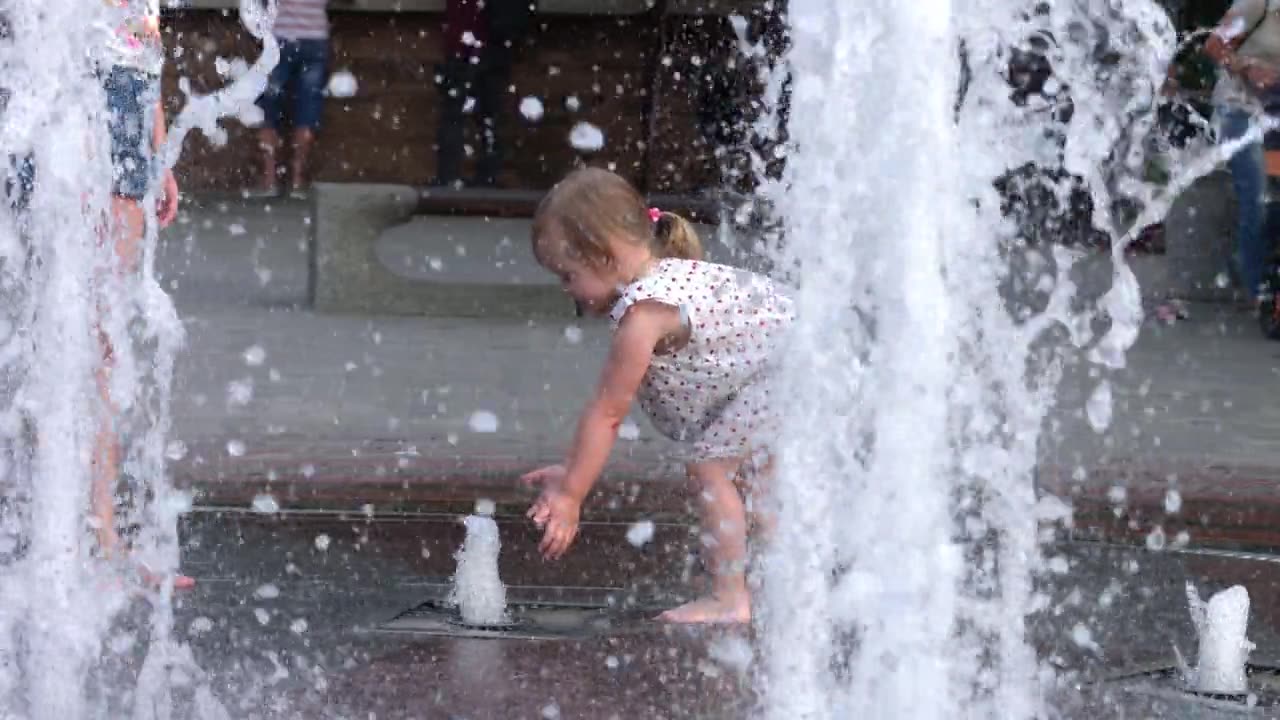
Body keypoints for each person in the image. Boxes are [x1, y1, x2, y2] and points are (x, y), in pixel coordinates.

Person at [521, 168, 793, 624]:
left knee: (709, 468)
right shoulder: (666, 277)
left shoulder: (645, 313)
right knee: (755, 480)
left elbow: (608, 412)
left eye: (568, 275)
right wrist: (573, 470)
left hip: (790, 368)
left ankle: (730, 599)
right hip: (803, 362)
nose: (566, 290)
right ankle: (793, 582)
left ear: (603, 255)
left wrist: (571, 493)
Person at [93, 0, 190, 588]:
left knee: (103, 346)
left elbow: (146, 45)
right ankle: (96, 535)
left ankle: (100, 533)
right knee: (82, 345)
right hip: (79, 109)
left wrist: (159, 156)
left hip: (128, 105)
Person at [1204, 0, 1280, 308]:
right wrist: (1247, 66)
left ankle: (1247, 264)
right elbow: (1214, 44)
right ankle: (1258, 294)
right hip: (1240, 108)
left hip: (1275, 112)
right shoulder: (1260, 3)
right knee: (1258, 199)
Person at [432, 0, 531, 187]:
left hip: (468, 43)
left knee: (456, 114)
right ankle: (486, 175)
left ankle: (450, 175)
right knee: (488, 115)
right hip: (492, 42)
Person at [256, 0, 330, 196]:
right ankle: (297, 179)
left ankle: (270, 177)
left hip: (279, 38)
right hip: (314, 38)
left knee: (269, 111)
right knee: (307, 110)